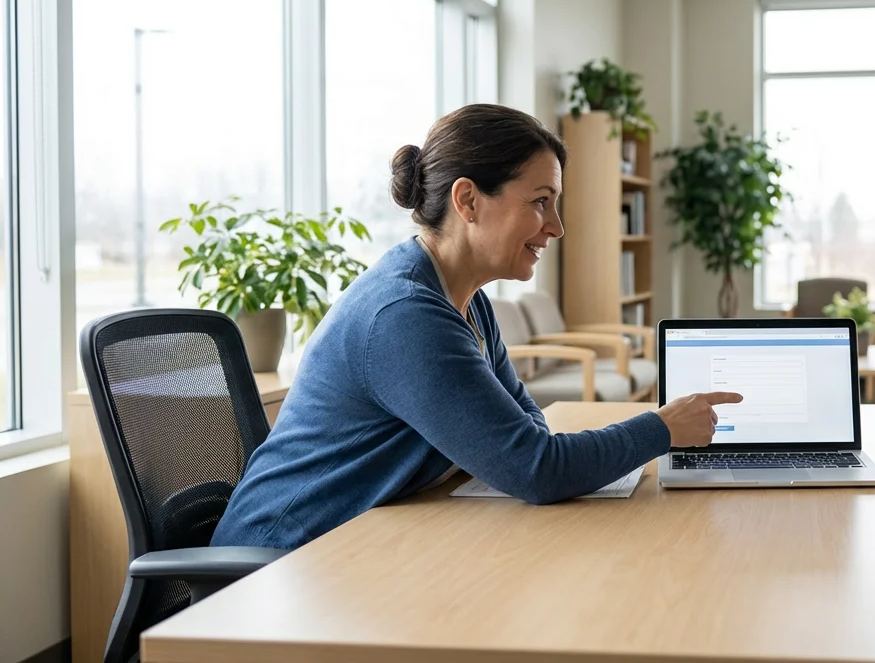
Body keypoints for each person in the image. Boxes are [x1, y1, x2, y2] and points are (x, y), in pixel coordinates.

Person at [212, 104, 739, 550]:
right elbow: (536, 467)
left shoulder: (466, 300)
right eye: (540, 201)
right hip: (278, 565)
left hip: (354, 543)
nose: (556, 226)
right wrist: (662, 428)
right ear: (467, 200)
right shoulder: (406, 315)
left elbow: (527, 432)